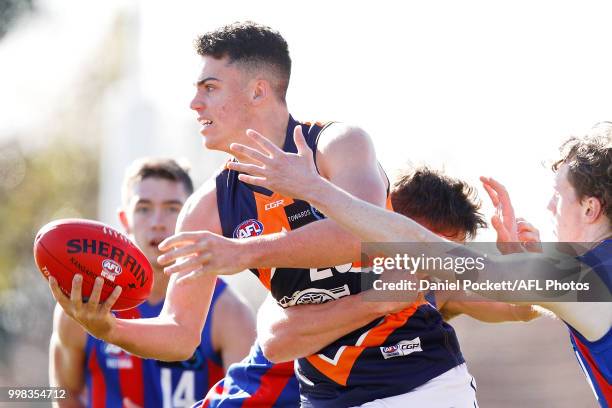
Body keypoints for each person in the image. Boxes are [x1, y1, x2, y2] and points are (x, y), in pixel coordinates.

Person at [50, 22, 479, 407]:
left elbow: (361, 234)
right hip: (324, 396)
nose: (194, 103)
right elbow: (180, 335)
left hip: (421, 383)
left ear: (258, 90)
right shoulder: (206, 208)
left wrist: (244, 252)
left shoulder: (338, 144)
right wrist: (109, 329)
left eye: (210, 87)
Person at [227, 122, 612, 406]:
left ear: (591, 208)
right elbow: (276, 339)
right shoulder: (307, 273)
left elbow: (474, 272)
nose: (548, 207)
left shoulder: (589, 279)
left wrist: (315, 190)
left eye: (558, 196)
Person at [256, 167, 540, 365]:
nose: (435, 263)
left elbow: (520, 310)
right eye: (426, 244)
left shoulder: (439, 286)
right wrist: (375, 302)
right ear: (388, 221)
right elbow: (275, 342)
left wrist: (526, 263)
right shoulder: (325, 256)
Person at [48, 158, 255, 408]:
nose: (157, 221)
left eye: (172, 208)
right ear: (125, 220)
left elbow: (248, 403)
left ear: (192, 217)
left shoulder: (229, 312)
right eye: (144, 208)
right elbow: (65, 393)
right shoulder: (82, 305)